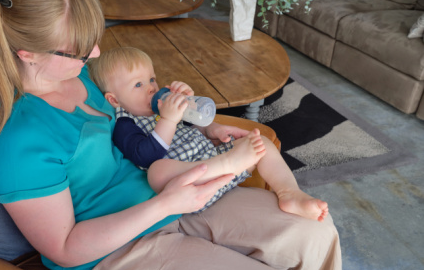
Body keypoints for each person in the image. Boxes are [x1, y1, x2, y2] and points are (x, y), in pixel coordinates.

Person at [0, 0, 350, 270]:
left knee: (316, 233)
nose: (96, 54)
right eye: (80, 48)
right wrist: (166, 204)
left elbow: (134, 122)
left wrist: (206, 128)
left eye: (93, 40)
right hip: (116, 256)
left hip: (167, 198)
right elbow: (65, 248)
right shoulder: (17, 138)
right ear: (28, 54)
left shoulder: (79, 77)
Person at [89, 46, 329, 220]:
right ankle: (231, 163)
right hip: (188, 186)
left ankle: (289, 193)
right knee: (157, 172)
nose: (152, 88)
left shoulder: (160, 108)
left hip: (214, 165)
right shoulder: (125, 123)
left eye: (151, 79)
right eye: (138, 84)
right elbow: (146, 156)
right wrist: (169, 119)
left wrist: (203, 120)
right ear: (114, 100)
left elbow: (194, 125)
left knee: (260, 142)